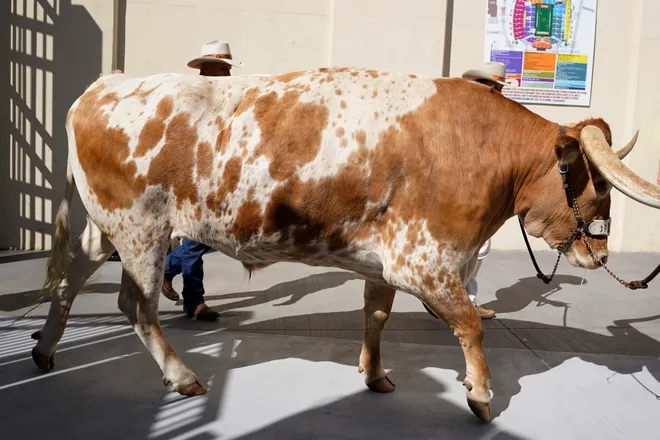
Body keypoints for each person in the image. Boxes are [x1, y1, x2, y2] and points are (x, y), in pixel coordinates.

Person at [161, 40, 244, 320]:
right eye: (222, 68)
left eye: (227, 69)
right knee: (197, 239)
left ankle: (166, 270)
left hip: (220, 176)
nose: (228, 75)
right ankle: (194, 302)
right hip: (194, 179)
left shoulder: (229, 95)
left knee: (211, 237)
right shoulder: (190, 96)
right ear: (207, 68)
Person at [459, 62, 510, 319]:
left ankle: (464, 300)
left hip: (483, 191)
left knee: (480, 249)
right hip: (461, 191)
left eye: (499, 89)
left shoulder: (494, 119)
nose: (497, 94)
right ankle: (458, 300)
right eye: (494, 88)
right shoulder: (462, 114)